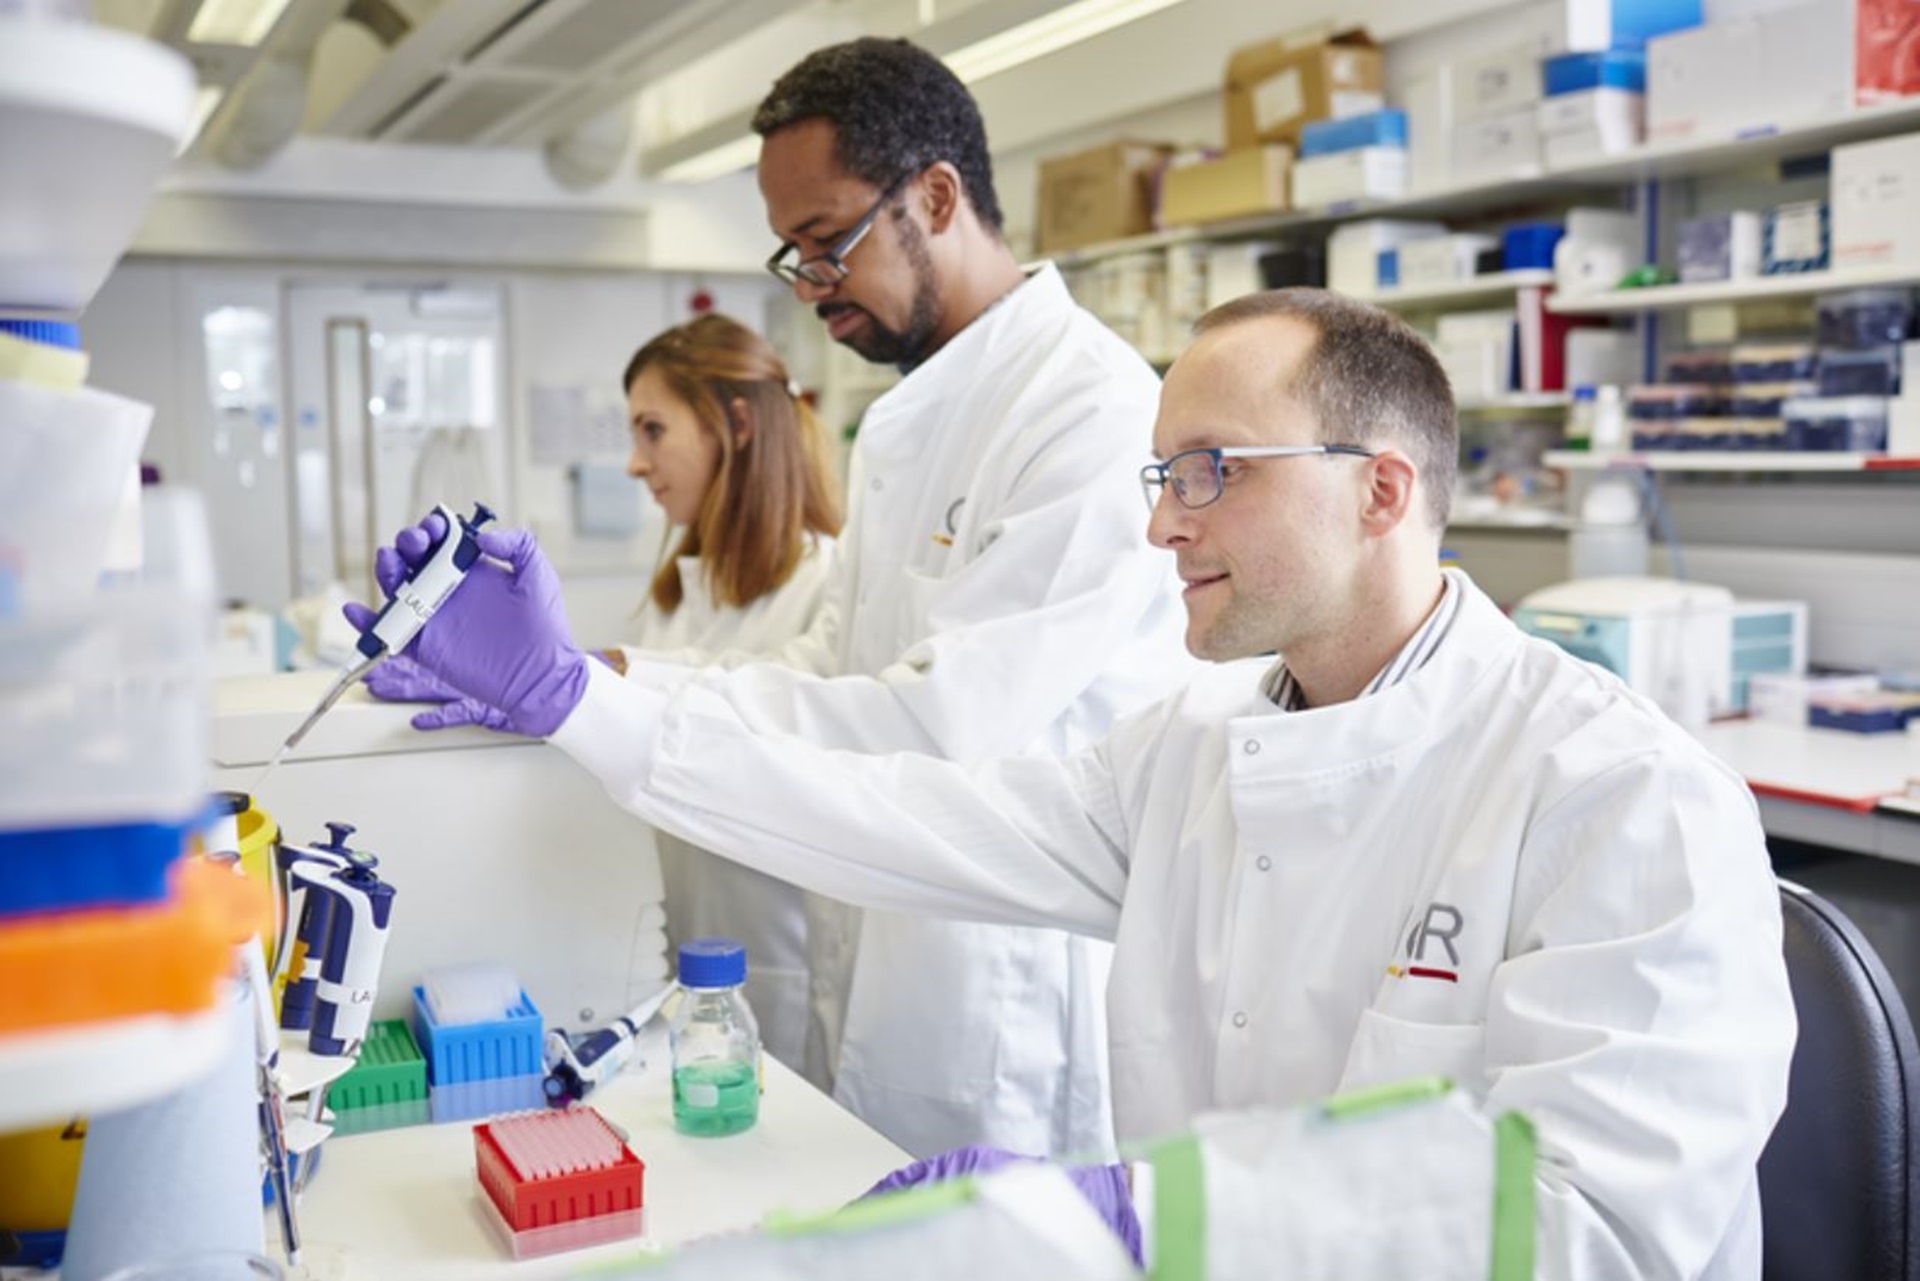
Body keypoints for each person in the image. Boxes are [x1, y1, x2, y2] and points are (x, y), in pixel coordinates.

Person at [357, 288, 1796, 1277]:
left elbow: (1591, 1234)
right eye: (1159, 476)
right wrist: (576, 705)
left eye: (1212, 470)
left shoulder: (1621, 799)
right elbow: (895, 813)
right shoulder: (1189, 753)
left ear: (1382, 487)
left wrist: (1134, 1217)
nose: (1163, 524)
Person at [376, 37, 1191, 1158]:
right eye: (792, 255)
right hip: (882, 959)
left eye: (828, 243)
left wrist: (580, 704)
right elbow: (823, 667)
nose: (811, 287)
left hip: (1004, 992)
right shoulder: (913, 414)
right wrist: (594, 673)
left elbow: (936, 724)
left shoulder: (1086, 413)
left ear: (938, 197)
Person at [370, 314, 841, 1072]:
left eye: (653, 430)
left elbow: (764, 713)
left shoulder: (826, 583)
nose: (633, 462)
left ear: (739, 424)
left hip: (781, 954)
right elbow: (640, 733)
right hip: (687, 934)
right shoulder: (681, 591)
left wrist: (576, 674)